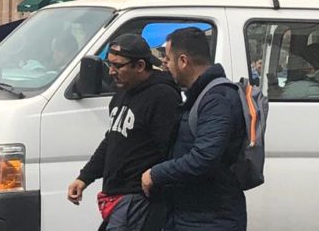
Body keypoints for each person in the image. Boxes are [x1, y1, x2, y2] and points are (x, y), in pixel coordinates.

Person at [67, 34, 180, 231]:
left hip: (137, 197)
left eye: (118, 66)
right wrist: (84, 177)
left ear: (139, 66)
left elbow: (169, 150)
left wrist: (155, 181)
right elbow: (112, 139)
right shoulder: (122, 92)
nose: (111, 72)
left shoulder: (163, 96)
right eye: (109, 64)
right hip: (115, 195)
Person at [142, 27, 247, 231]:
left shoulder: (216, 99)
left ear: (183, 61)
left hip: (211, 218)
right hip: (192, 213)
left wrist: (155, 174)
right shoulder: (200, 96)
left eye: (169, 61)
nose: (167, 67)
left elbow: (204, 157)